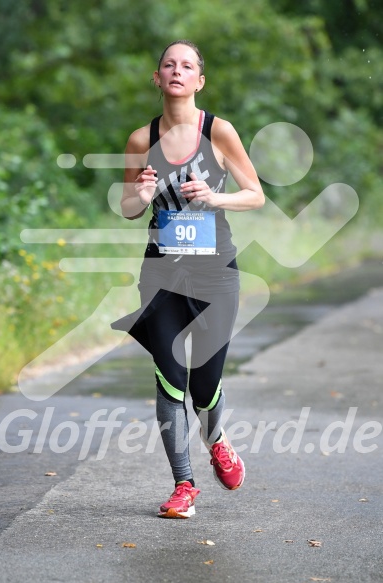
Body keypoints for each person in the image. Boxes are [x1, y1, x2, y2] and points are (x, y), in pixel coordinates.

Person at [111, 40, 265, 518]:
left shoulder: (219, 132)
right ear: (157, 78)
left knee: (204, 384)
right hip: (161, 274)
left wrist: (214, 198)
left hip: (216, 274)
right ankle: (184, 485)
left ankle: (216, 438)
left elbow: (255, 194)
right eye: (168, 64)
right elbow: (128, 209)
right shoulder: (141, 139)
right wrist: (140, 192)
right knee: (169, 379)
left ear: (199, 80)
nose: (177, 71)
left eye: (188, 65)